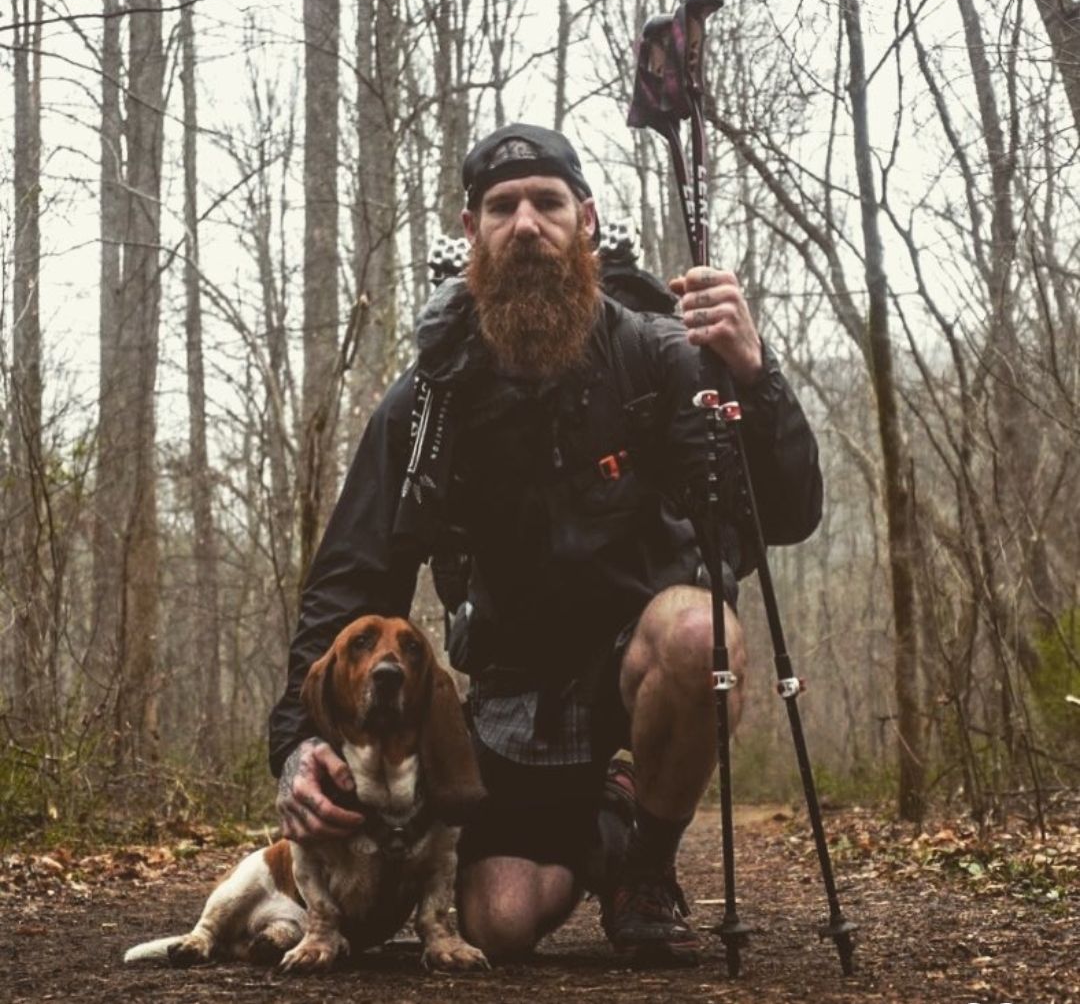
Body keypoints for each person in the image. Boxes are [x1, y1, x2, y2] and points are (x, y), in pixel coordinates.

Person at [270, 123, 822, 966]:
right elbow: (351, 577)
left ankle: (645, 864)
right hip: (514, 704)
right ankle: (604, 822)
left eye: (547, 203)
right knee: (496, 922)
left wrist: (755, 374)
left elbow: (784, 513)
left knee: (698, 634)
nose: (525, 223)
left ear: (587, 221)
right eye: (501, 207)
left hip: (636, 671)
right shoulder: (430, 400)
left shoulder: (658, 357)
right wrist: (295, 745)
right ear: (471, 233)